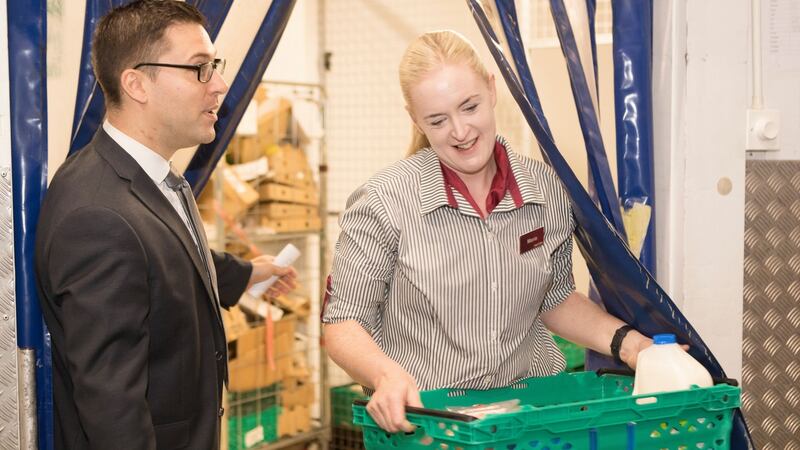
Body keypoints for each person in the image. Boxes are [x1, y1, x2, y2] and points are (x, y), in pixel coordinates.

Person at [322, 29, 652, 433]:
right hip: (435, 426)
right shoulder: (383, 202)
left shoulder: (545, 189)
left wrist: (631, 345)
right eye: (438, 120)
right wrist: (385, 375)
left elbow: (556, 297)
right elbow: (343, 323)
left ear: (492, 90)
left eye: (470, 106)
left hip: (532, 418)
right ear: (415, 120)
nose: (460, 131)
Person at [34, 2, 296, 449]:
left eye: (214, 66)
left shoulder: (143, 178)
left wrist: (246, 274)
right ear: (136, 84)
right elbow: (112, 410)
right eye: (199, 69)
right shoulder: (97, 216)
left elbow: (161, 258)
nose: (219, 85)